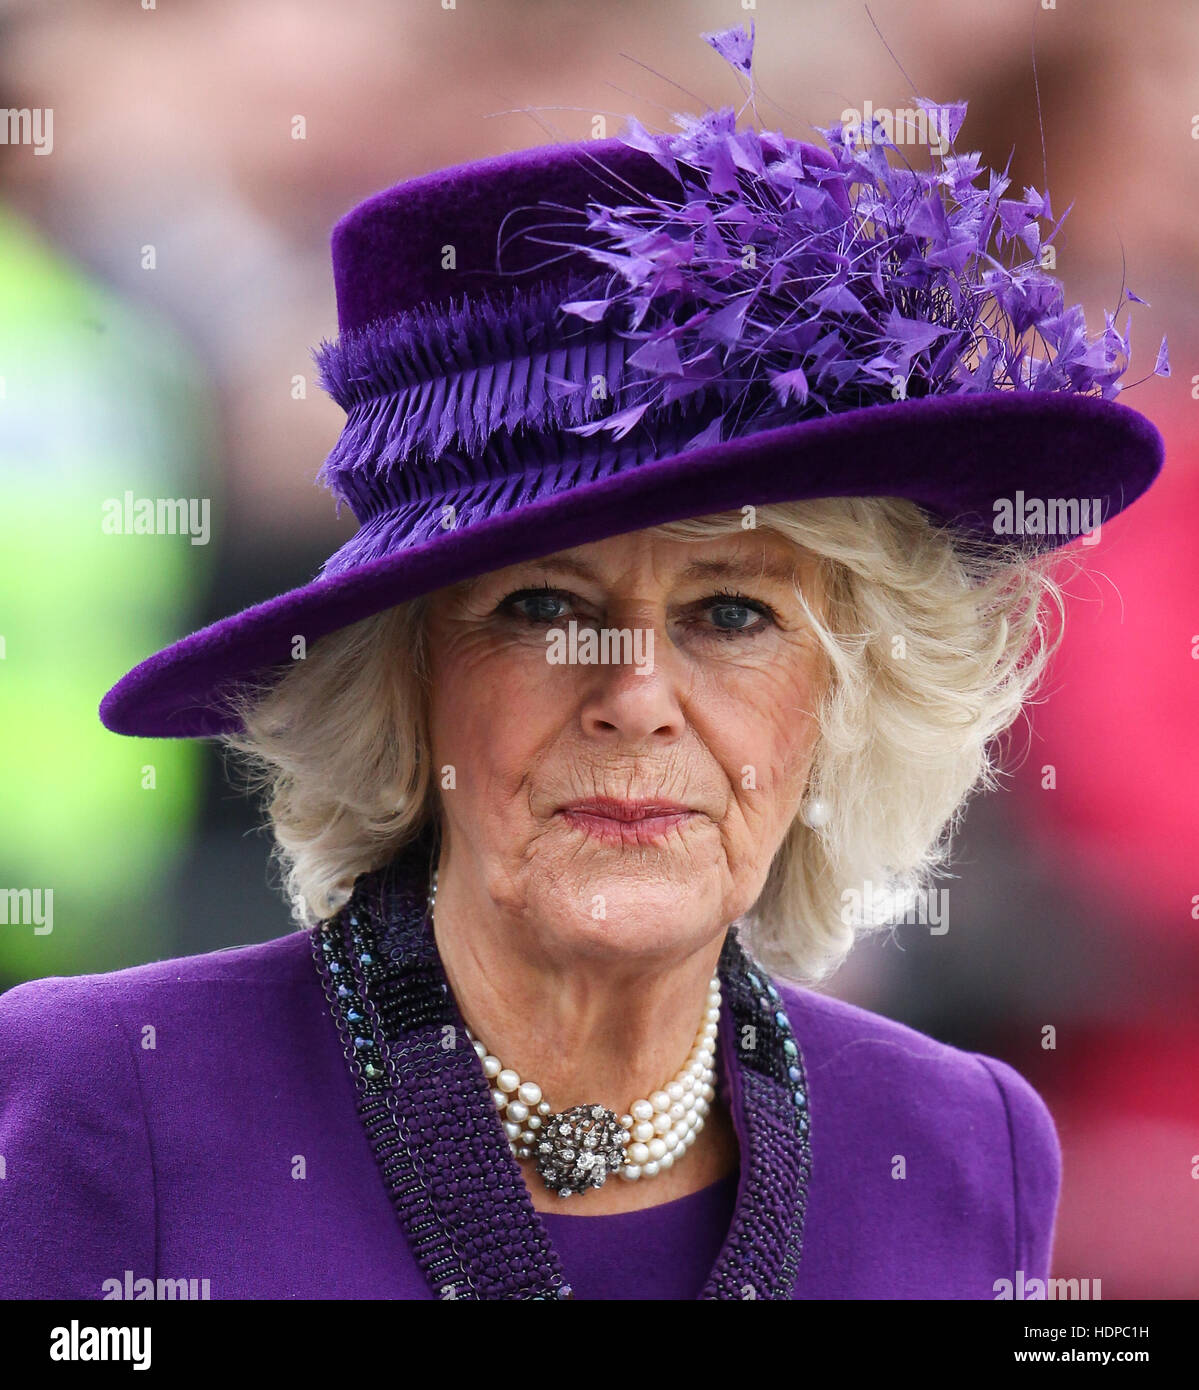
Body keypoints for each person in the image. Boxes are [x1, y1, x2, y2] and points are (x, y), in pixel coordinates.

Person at [0, 27, 1165, 1300]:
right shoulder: (108, 1096)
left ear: (849, 695)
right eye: (545, 606)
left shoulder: (960, 1148)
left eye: (731, 615)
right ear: (404, 680)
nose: (637, 698)